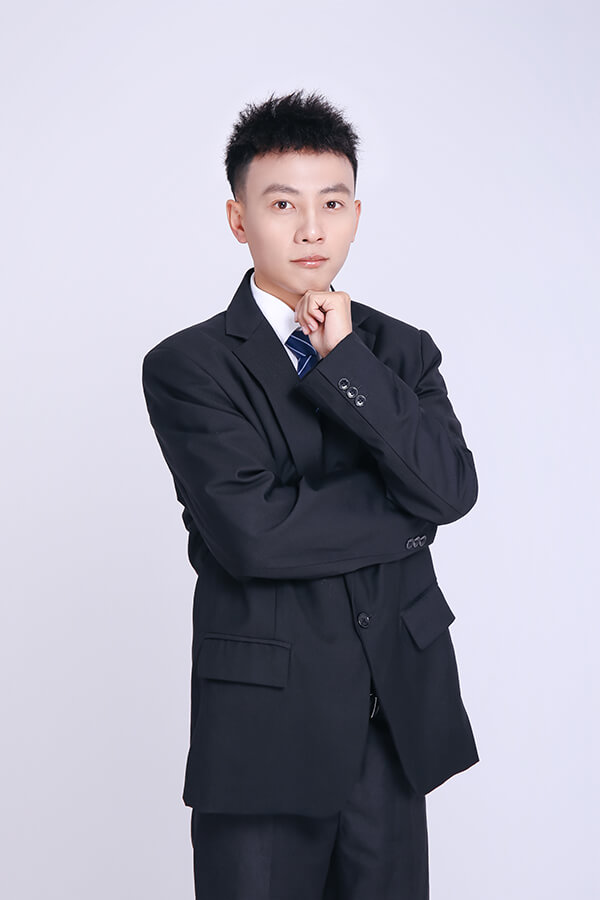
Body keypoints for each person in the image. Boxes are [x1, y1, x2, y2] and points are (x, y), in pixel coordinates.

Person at [142, 89, 479, 900]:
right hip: (265, 732)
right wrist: (408, 518)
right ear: (239, 219)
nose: (310, 230)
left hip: (393, 718)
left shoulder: (400, 350)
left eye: (332, 203)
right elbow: (255, 537)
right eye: (282, 204)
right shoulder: (189, 367)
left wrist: (348, 361)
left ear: (355, 214)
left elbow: (451, 488)